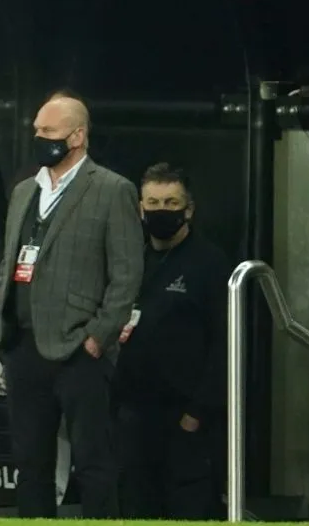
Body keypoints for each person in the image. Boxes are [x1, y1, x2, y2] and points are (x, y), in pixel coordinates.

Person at [0, 90, 144, 518]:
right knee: (30, 462)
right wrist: (1, 328)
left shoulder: (113, 190)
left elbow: (127, 274)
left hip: (79, 348)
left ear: (77, 136)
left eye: (48, 131)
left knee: (93, 461)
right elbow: (10, 260)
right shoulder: (24, 191)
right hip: (23, 344)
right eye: (36, 129)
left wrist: (98, 337)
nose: (38, 137)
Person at [114, 163, 230, 520]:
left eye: (170, 202)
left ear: (188, 209)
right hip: (131, 415)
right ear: (140, 206)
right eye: (153, 202)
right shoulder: (130, 258)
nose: (160, 210)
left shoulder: (210, 264)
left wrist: (197, 412)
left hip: (186, 418)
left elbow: (225, 347)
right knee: (135, 506)